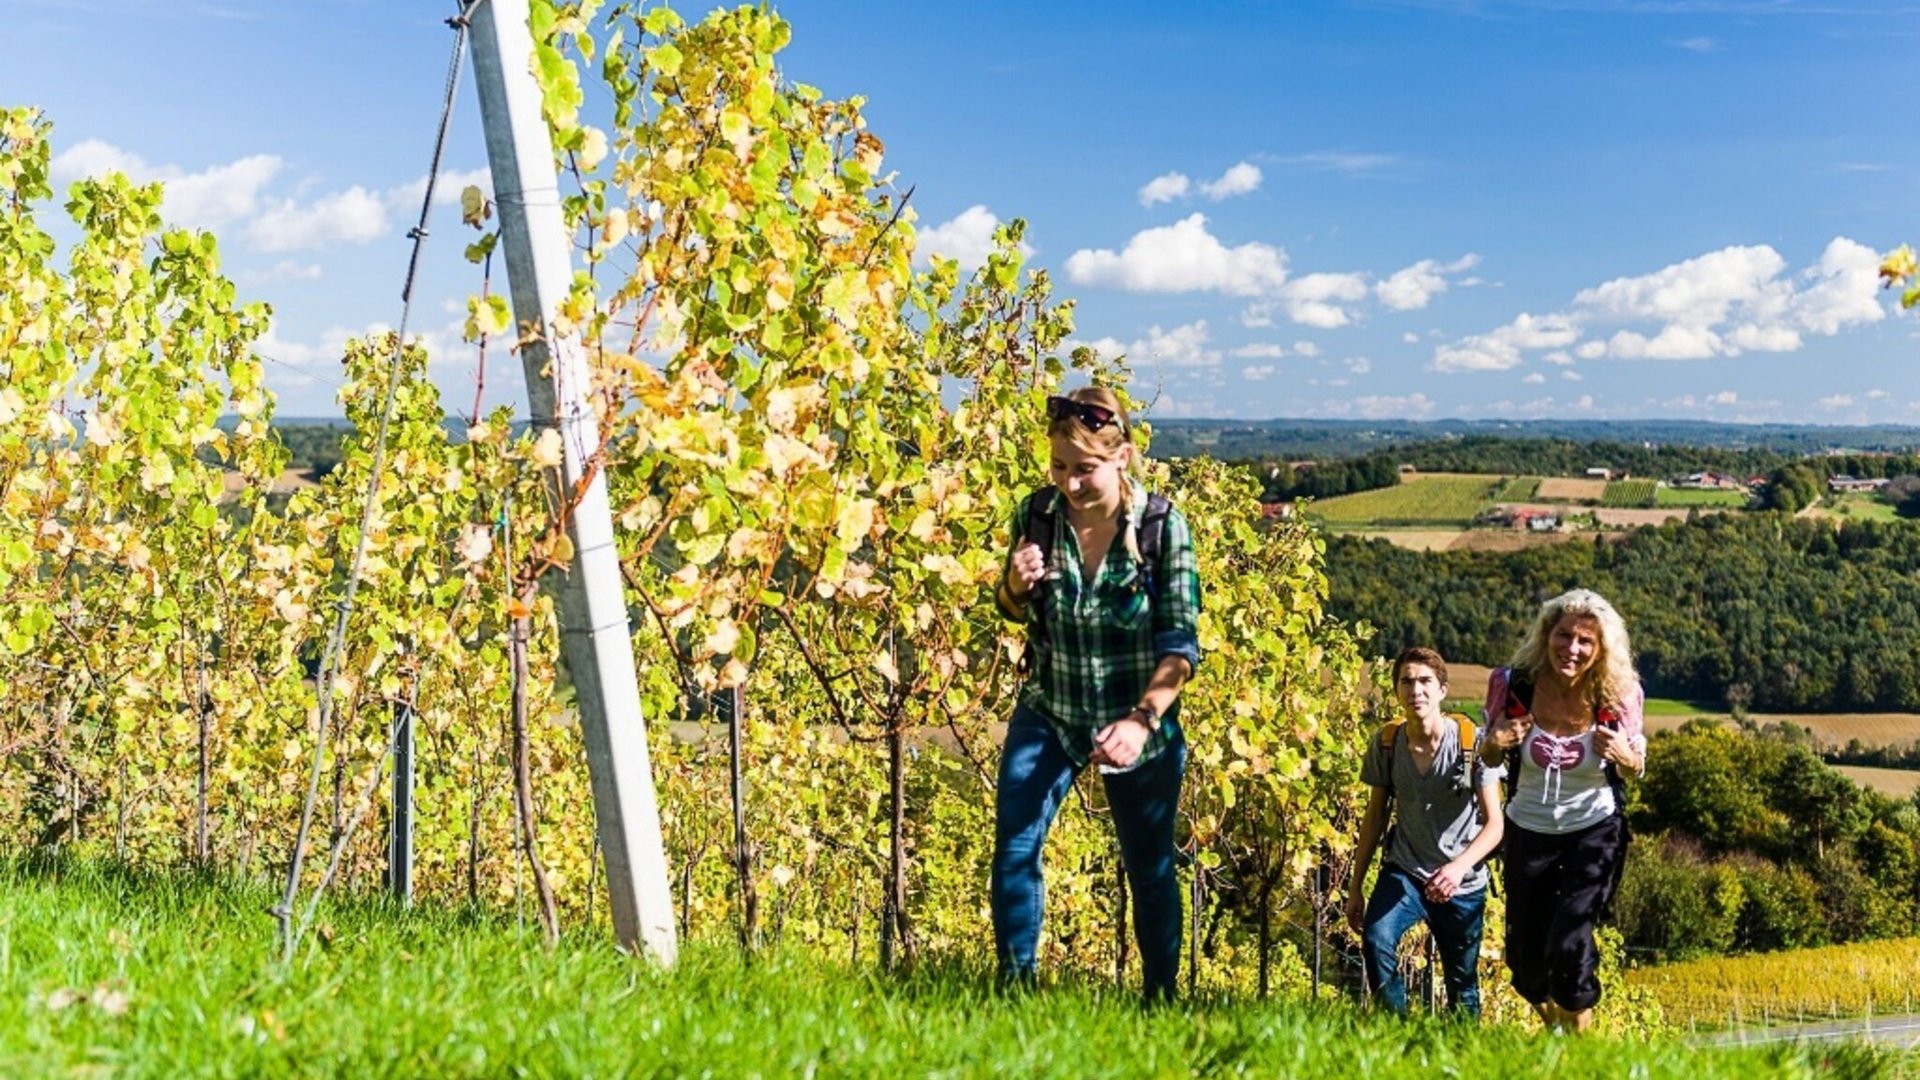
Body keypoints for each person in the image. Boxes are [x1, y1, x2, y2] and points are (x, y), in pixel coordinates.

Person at [991, 386, 1202, 1003]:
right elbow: (1010, 611)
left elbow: (1180, 647)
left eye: (1084, 469)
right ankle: (1014, 995)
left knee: (1149, 868)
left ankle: (1160, 1002)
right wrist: (1013, 584)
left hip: (1137, 720)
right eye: (1059, 467)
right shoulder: (1035, 515)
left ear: (1122, 459)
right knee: (1016, 845)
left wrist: (1140, 720)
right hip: (1052, 709)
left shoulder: (1163, 528)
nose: (1070, 483)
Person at [1479, 588, 1647, 1033]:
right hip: (1528, 828)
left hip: (1594, 831)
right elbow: (1489, 756)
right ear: (1546, 634)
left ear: (1601, 648)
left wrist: (1624, 756)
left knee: (1570, 945)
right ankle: (1559, 1029)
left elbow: (1635, 767)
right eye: (1564, 635)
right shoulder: (1514, 684)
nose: (1571, 649)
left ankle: (1580, 1052)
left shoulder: (1618, 694)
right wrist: (1494, 744)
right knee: (1526, 962)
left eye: (1585, 641)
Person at [1345, 647, 1504, 1018]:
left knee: (1461, 984)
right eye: (1407, 681)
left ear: (1442, 690)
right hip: (1405, 871)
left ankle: (1461, 1061)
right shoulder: (1386, 744)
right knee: (1376, 939)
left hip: (1461, 882)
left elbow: (1495, 825)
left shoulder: (1473, 743)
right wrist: (1355, 886)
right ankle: (1396, 1033)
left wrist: (1457, 868)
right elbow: (1375, 818)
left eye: (1424, 681)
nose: (1415, 689)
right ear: (1397, 691)